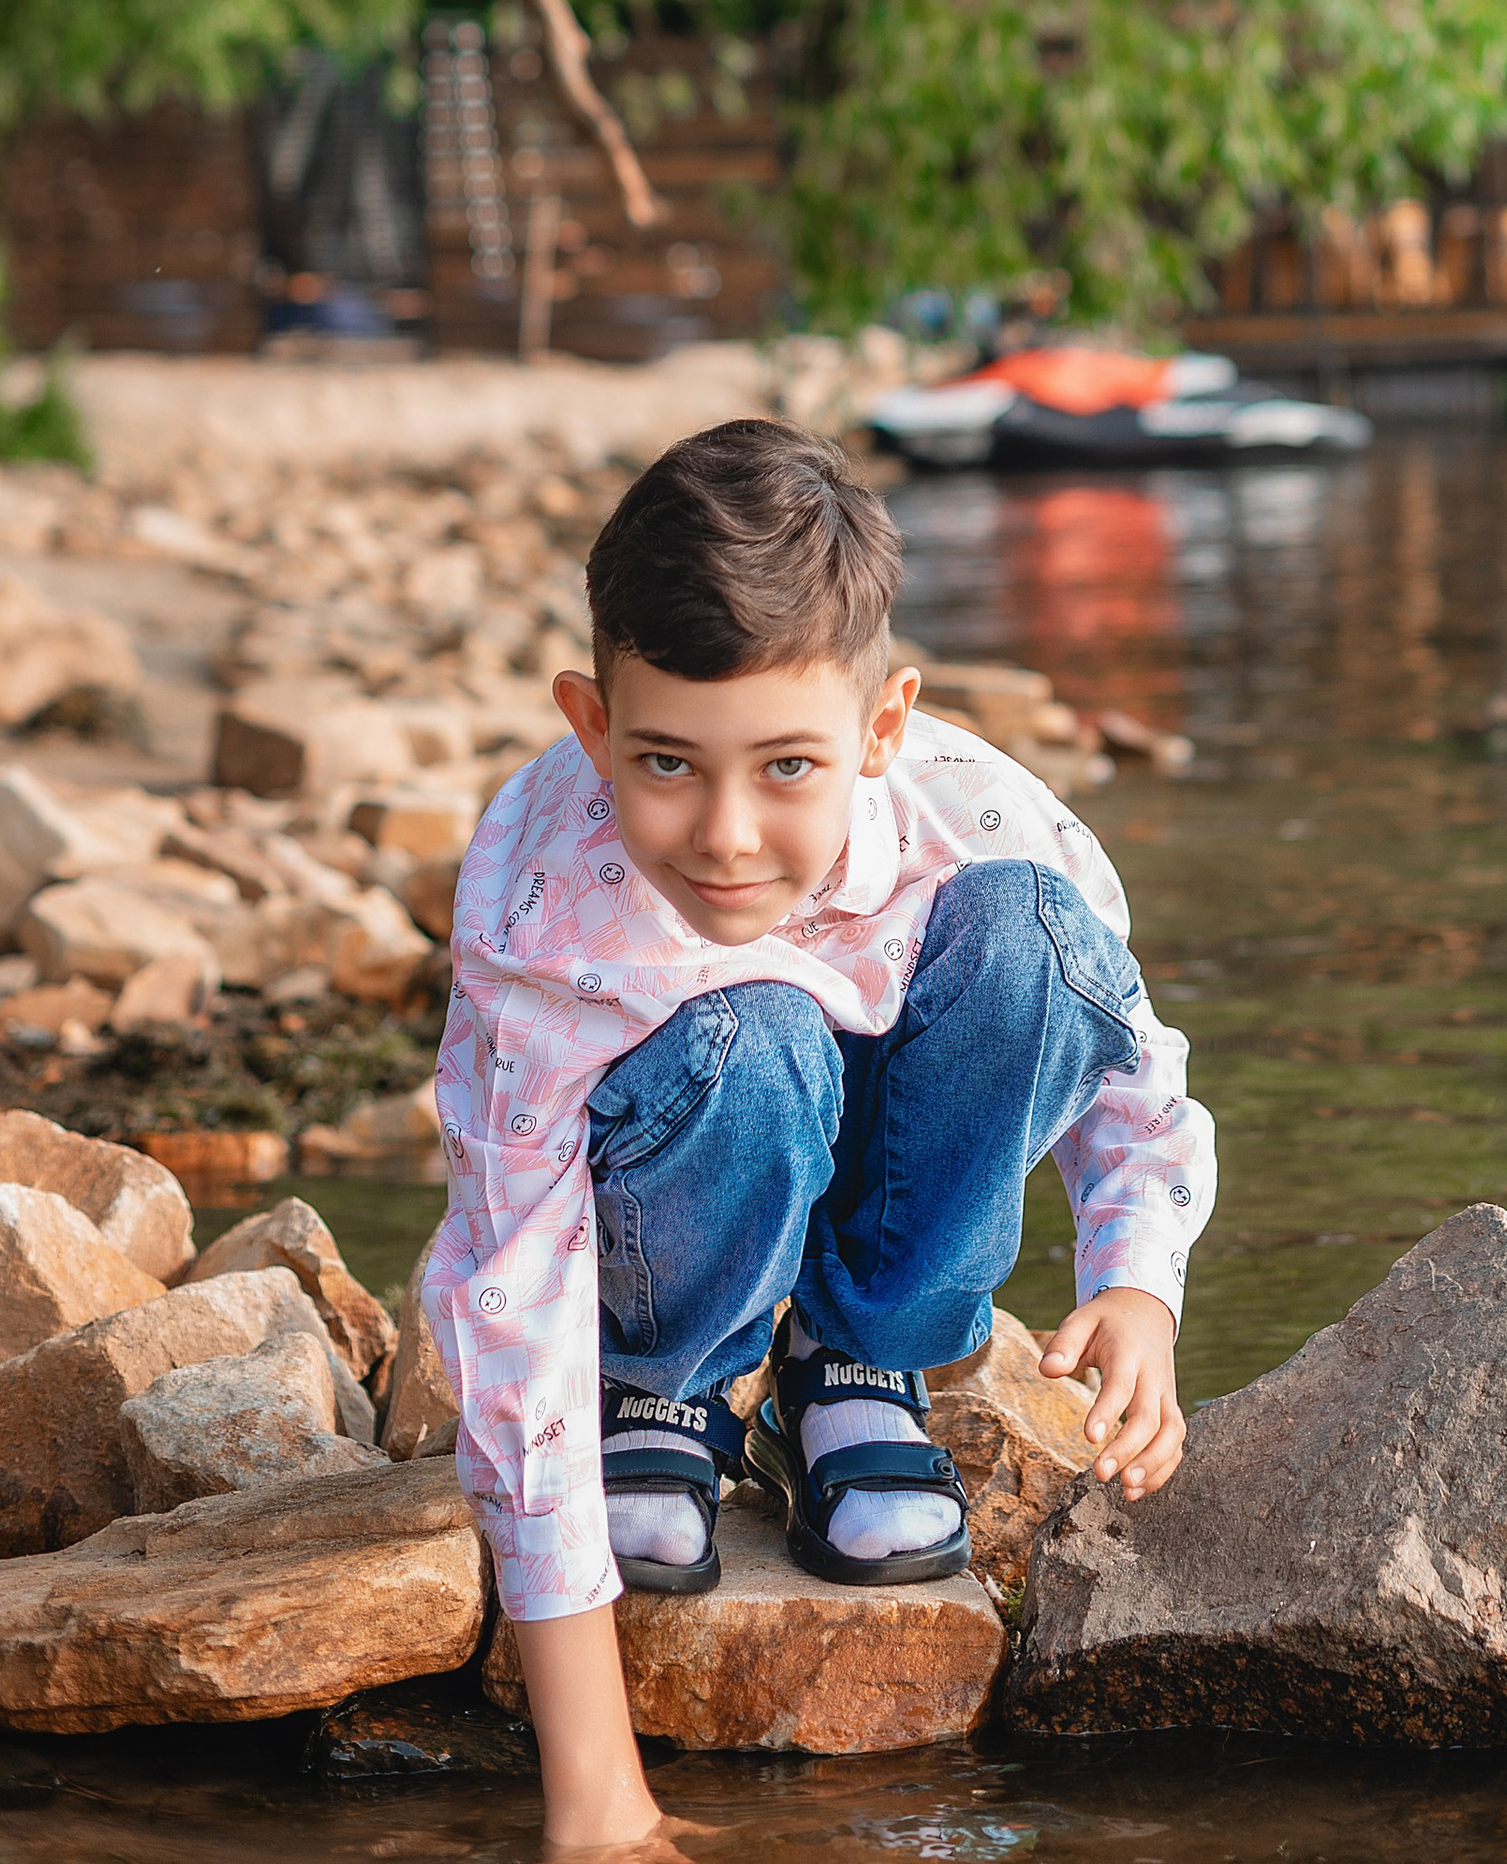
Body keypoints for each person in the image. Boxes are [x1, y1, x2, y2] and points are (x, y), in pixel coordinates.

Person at [424, 417, 1213, 1855]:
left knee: (1035, 939)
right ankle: (667, 1385)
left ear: (883, 726)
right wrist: (595, 1792)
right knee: (752, 1020)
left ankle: (854, 1359)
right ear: (591, 723)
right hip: (673, 1197)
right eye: (665, 763)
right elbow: (509, 1266)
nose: (727, 834)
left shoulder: (979, 816)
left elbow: (1129, 1061)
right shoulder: (541, 906)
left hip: (881, 1167)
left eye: (789, 767)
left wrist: (1142, 1277)